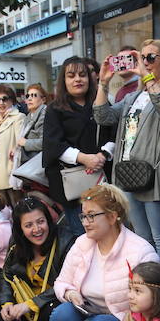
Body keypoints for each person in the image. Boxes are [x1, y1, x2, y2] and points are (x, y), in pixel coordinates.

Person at [30, 184, 158, 321]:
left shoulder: (139, 251)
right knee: (62, 312)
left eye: (91, 216)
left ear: (112, 216)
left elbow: (150, 300)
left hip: (119, 316)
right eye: (83, 217)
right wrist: (70, 293)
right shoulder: (82, 243)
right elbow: (62, 282)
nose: (85, 223)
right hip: (85, 308)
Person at [94, 39, 160, 262]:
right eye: (141, 57)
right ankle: (147, 285)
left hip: (154, 173)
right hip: (127, 173)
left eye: (151, 57)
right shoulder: (133, 96)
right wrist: (103, 82)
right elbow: (102, 116)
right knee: (142, 237)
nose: (145, 62)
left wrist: (146, 77)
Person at [0, 196, 75, 321]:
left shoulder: (66, 241)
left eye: (41, 222)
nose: (37, 229)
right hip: (23, 304)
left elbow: (67, 283)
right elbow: (6, 273)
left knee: (55, 309)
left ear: (48, 220)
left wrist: (30, 305)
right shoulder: (17, 243)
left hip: (48, 304)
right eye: (29, 225)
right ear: (20, 229)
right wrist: (7, 303)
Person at [42, 56, 117, 236]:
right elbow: (53, 144)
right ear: (64, 80)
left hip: (102, 177)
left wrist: (102, 155)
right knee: (83, 233)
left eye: (82, 75)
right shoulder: (55, 109)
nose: (77, 79)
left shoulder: (100, 103)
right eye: (71, 75)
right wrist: (84, 158)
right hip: (72, 184)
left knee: (108, 229)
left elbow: (114, 132)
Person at [0, 85, 25, 206]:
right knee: (3, 208)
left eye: (5, 99)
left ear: (12, 100)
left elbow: (21, 142)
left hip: (10, 168)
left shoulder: (18, 117)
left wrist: (15, 151)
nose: (1, 103)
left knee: (17, 206)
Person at [14, 83, 48, 169]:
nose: (29, 98)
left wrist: (26, 143)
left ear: (43, 99)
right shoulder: (29, 116)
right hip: (31, 164)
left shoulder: (45, 114)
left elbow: (46, 142)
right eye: (28, 96)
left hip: (39, 165)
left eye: (34, 95)